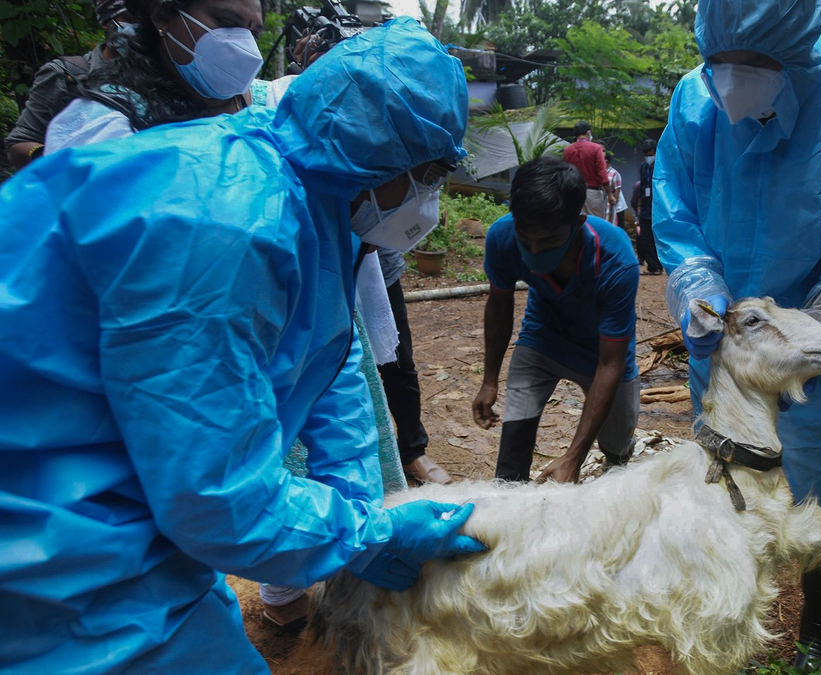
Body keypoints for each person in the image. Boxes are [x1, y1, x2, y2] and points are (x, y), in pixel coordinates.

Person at [0, 20, 487, 675]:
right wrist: (365, 536)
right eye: (427, 176)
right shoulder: (223, 227)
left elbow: (331, 361)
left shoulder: (312, 195)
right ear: (380, 155)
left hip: (121, 494)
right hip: (47, 528)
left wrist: (362, 505)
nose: (428, 200)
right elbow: (215, 499)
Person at [652, 0, 821, 670]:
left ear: (799, 49)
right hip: (728, 355)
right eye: (716, 61)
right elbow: (677, 214)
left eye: (752, 63)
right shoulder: (694, 102)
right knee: (730, 483)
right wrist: (698, 290)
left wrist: (811, 324)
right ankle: (732, 607)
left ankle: (817, 625)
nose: (729, 81)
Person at [472, 157, 641, 484]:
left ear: (578, 223)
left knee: (617, 447)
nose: (535, 252)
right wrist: (489, 380)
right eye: (526, 240)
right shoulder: (502, 237)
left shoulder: (616, 260)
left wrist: (573, 457)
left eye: (549, 241)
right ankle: (510, 498)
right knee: (514, 440)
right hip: (542, 338)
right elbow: (499, 306)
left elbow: (610, 363)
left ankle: (613, 468)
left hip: (603, 353)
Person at [42, 0, 266, 154]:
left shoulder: (266, 101)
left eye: (253, 33)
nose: (244, 45)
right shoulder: (103, 126)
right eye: (226, 23)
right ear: (163, 15)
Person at [3, 0, 133, 168]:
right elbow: (20, 142)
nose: (139, 27)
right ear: (105, 21)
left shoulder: (159, 75)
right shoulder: (67, 74)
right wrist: (61, 161)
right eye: (130, 18)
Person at [377, 247, 453, 485]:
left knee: (399, 361)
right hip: (325, 272)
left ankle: (412, 451)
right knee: (339, 369)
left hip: (380, 273)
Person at [562, 120, 613, 218]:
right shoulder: (596, 148)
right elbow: (602, 174)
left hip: (574, 193)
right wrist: (609, 194)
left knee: (576, 222)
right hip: (592, 192)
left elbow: (565, 174)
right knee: (596, 223)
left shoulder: (567, 150)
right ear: (588, 133)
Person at [630, 137, 662, 274]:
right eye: (646, 155)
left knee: (657, 238)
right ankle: (653, 266)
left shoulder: (661, 165)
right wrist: (639, 207)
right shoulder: (643, 167)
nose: (649, 157)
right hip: (645, 207)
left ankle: (658, 265)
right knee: (645, 237)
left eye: (651, 154)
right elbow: (642, 188)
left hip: (658, 207)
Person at [605, 151, 628, 228]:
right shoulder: (602, 173)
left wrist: (612, 207)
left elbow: (617, 192)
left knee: (618, 227)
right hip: (607, 205)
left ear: (606, 161)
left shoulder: (615, 173)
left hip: (617, 207)